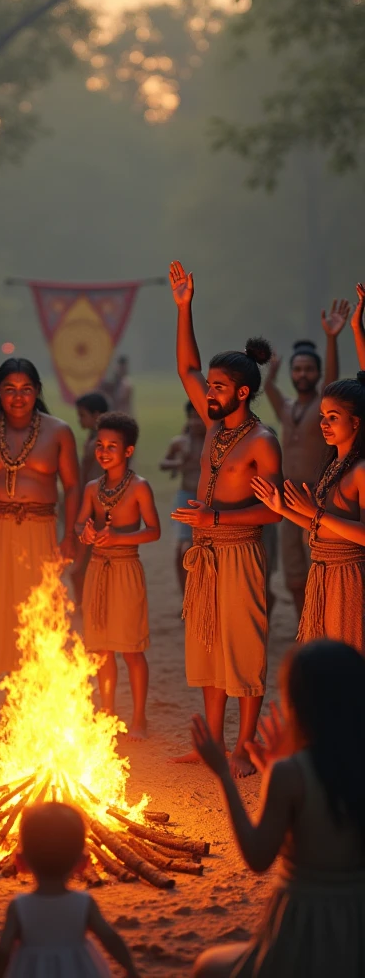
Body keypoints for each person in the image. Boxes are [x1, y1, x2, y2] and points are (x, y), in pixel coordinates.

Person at [169, 260, 283, 778]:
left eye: (217, 387)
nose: (206, 393)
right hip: (207, 553)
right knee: (209, 647)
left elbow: (274, 509)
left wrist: (216, 518)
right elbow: (185, 370)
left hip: (238, 551)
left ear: (242, 392)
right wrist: (184, 306)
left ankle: (243, 748)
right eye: (209, 386)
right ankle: (213, 744)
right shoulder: (216, 426)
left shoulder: (262, 442)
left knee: (243, 651)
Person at [191, 640, 365, 978]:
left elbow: (258, 858)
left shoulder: (292, 774)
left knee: (206, 966)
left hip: (303, 930)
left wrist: (224, 775)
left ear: (299, 706)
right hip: (357, 926)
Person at [0, 359, 80, 736]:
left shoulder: (59, 431)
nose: (18, 396)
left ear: (37, 390)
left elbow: (72, 487)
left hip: (39, 530)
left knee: (39, 616)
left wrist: (69, 535)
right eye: (9, 388)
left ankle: (34, 711)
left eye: (26, 388)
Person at [252, 374, 365, 652]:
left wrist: (315, 513)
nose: (323, 424)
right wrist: (282, 509)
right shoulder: (334, 463)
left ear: (356, 422)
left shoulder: (361, 471)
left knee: (347, 658)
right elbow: (320, 526)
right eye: (323, 416)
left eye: (333, 417)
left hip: (348, 578)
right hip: (323, 572)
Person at [76, 411, 160, 740]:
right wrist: (84, 532)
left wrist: (119, 538)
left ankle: (139, 719)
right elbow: (79, 524)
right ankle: (108, 714)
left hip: (126, 568)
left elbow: (154, 531)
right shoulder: (91, 488)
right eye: (100, 445)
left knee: (132, 649)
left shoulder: (140, 488)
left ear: (128, 451)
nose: (104, 451)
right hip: (97, 569)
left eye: (113, 446)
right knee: (102, 650)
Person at [264, 300, 350, 617]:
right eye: (297, 369)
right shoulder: (288, 408)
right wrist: (271, 372)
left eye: (308, 369)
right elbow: (269, 388)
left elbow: (333, 376)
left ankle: (324, 625)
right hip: (288, 500)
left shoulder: (322, 405)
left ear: (317, 374)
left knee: (318, 566)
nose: (302, 374)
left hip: (317, 497)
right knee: (294, 575)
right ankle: (306, 628)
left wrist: (331, 338)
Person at [0, 801, 139, 978]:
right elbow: (109, 938)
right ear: (83, 863)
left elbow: (3, 950)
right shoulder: (84, 903)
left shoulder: (19, 906)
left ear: (20, 862)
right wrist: (129, 967)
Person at [159, 401, 206, 595]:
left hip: (208, 499)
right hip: (186, 497)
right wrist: (179, 462)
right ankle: (186, 595)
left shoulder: (214, 442)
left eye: (200, 418)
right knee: (182, 550)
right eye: (192, 417)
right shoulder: (180, 442)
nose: (196, 422)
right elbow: (163, 463)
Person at [72, 391, 110, 606]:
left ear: (97, 415)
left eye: (82, 415)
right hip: (91, 505)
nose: (79, 420)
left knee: (85, 562)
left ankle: (87, 605)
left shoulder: (103, 442)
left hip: (97, 509)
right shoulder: (93, 438)